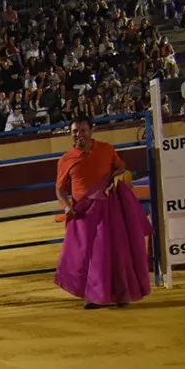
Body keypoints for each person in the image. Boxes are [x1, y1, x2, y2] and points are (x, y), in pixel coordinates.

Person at [53, 117, 150, 309]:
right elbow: (60, 189)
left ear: (91, 131)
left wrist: (116, 175)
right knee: (88, 255)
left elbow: (120, 167)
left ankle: (120, 295)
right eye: (74, 131)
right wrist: (66, 206)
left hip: (108, 207)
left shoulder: (107, 149)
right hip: (83, 213)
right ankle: (95, 296)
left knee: (113, 250)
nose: (78, 135)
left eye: (82, 130)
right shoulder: (65, 159)